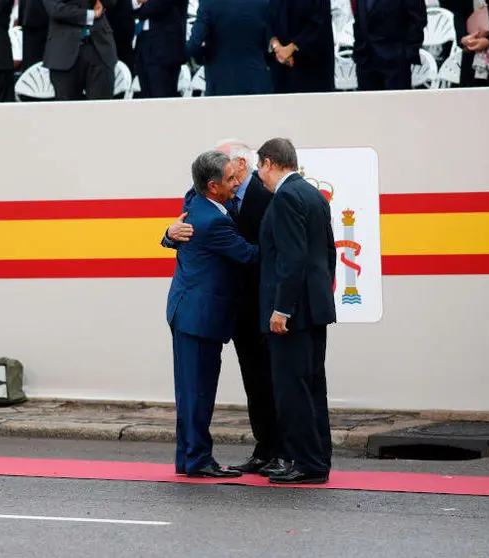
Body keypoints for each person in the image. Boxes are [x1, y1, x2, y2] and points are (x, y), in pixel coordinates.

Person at [161, 140, 279, 475]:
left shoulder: (195, 200)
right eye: (230, 179)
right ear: (213, 186)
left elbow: (183, 225)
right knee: (197, 392)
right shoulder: (215, 222)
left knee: (190, 390)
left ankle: (188, 458)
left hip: (188, 310)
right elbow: (251, 256)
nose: (237, 182)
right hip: (199, 316)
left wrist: (169, 234)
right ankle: (198, 459)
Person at [256, 137, 336, 485]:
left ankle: (305, 462)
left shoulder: (286, 197)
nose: (259, 176)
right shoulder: (313, 194)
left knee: (292, 388)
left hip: (294, 313)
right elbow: (328, 253)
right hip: (314, 308)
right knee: (313, 385)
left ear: (270, 163)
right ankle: (318, 458)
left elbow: (291, 258)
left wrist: (282, 310)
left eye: (259, 167)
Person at [185, 0, 272, 96]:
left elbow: (193, 46)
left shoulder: (209, 3)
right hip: (257, 79)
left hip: (220, 81)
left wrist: (204, 59)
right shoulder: (263, 3)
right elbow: (272, 39)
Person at [42, 0, 119, 100]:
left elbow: (111, 2)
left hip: (100, 49)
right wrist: (90, 14)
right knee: (67, 110)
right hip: (64, 52)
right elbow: (56, 10)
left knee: (101, 108)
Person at [352, 0, 426, 90]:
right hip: (365, 58)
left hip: (396, 60)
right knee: (367, 103)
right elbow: (359, 17)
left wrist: (407, 52)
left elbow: (418, 19)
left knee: (396, 103)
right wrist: (359, 46)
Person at [268, 0, 335, 93]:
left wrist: (292, 47)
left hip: (311, 68)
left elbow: (321, 20)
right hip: (280, 65)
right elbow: (267, 17)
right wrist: (276, 45)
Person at [132, 0, 188, 98]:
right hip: (143, 45)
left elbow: (155, 6)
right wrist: (137, 3)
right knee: (147, 100)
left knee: (162, 100)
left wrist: (139, 5)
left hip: (164, 49)